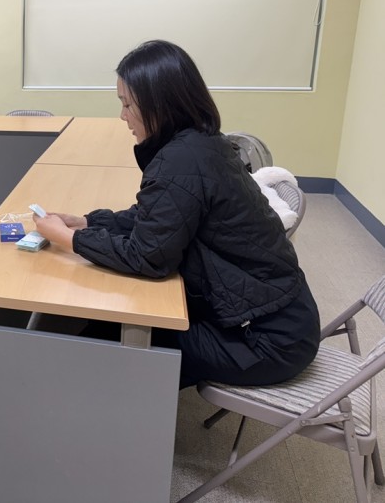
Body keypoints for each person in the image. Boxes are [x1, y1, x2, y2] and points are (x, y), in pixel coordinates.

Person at [33, 40, 320, 389]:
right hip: (276, 316)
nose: (123, 116)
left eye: (127, 104)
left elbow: (148, 257)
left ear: (160, 103)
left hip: (264, 341)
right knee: (108, 326)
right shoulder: (202, 142)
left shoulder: (181, 161)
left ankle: (113, 413)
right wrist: (89, 222)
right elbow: (161, 217)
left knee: (116, 346)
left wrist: (69, 238)